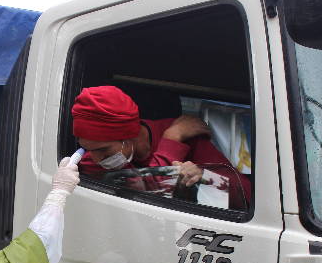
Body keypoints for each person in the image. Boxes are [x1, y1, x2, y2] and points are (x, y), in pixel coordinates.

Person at [72, 85, 252, 209]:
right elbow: (150, 189)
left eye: (103, 150)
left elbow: (246, 194)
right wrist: (172, 140)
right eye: (88, 149)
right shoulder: (92, 163)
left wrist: (205, 177)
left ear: (130, 135)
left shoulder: (191, 140)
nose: (94, 159)